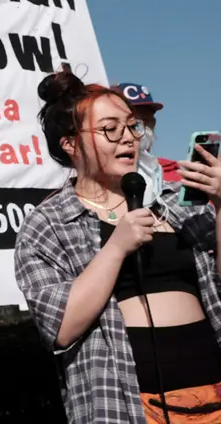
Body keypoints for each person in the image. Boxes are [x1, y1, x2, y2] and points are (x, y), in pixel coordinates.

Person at [15, 70, 221, 424]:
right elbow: (59, 328)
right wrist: (115, 248)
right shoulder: (47, 224)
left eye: (132, 126)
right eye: (110, 129)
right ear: (71, 144)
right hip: (127, 405)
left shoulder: (175, 202)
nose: (128, 138)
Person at [116, 82, 182, 201]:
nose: (141, 128)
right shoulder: (99, 176)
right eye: (133, 122)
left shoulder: (174, 172)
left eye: (146, 119)